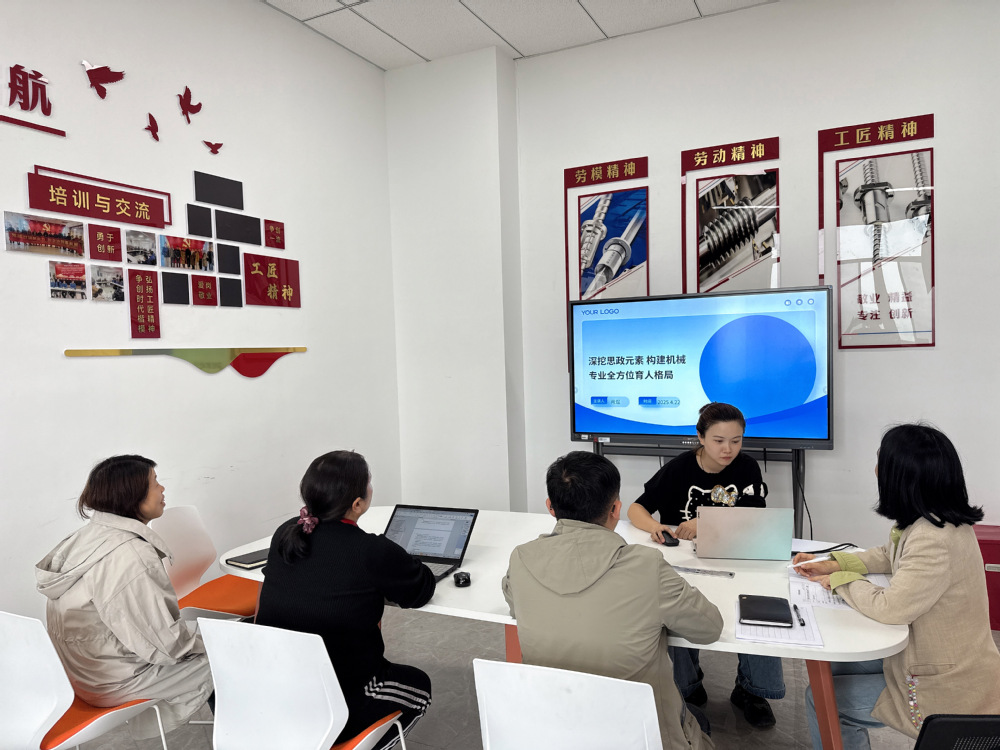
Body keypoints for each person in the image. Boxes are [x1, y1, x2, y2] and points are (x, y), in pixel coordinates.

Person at [795, 423, 1000, 750]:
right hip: (926, 655)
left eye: (881, 461)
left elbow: (892, 608)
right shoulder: (932, 520)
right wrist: (836, 563)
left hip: (944, 684)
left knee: (822, 700)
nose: (876, 469)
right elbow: (888, 555)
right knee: (833, 664)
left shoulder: (934, 537)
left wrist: (840, 581)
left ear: (901, 476)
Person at [502, 451, 723, 749]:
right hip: (641, 734)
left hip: (558, 729)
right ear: (616, 509)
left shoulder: (520, 559)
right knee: (700, 720)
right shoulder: (646, 565)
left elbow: (515, 603)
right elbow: (709, 629)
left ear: (550, 507)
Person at [256, 451, 435, 749]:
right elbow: (420, 590)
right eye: (369, 483)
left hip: (271, 689)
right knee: (419, 687)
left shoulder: (287, 532)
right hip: (336, 701)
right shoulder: (371, 550)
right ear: (357, 504)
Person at [627, 402, 783, 728]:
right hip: (685, 562)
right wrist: (656, 527)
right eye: (719, 440)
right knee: (674, 608)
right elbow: (636, 509)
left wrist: (706, 521)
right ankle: (688, 687)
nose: (728, 449)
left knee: (760, 607)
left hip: (737, 558)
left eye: (736, 441)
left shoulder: (747, 468)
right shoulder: (679, 469)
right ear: (700, 437)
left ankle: (751, 691)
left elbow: (755, 518)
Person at [35, 455, 213, 739]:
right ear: (132, 494)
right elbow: (166, 645)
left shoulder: (87, 537)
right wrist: (214, 642)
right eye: (155, 483)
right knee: (231, 657)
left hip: (77, 676)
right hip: (114, 681)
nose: (162, 489)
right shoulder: (130, 555)